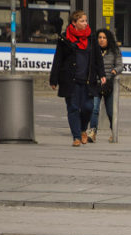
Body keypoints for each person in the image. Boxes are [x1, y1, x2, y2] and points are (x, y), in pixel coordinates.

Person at [50, 11, 106, 147]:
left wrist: (102, 74)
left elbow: (98, 58)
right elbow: (58, 59)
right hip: (70, 80)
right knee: (73, 108)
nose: (85, 23)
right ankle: (76, 137)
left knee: (88, 108)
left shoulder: (91, 38)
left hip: (88, 80)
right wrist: (54, 79)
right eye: (82, 21)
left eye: (86, 21)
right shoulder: (64, 39)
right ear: (74, 23)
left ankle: (82, 130)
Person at [87, 29, 122, 143]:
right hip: (96, 84)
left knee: (111, 111)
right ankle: (92, 132)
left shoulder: (114, 51)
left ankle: (114, 131)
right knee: (94, 108)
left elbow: (120, 65)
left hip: (109, 84)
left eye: (104, 38)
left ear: (108, 39)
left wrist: (114, 71)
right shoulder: (93, 50)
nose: (101, 40)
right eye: (99, 38)